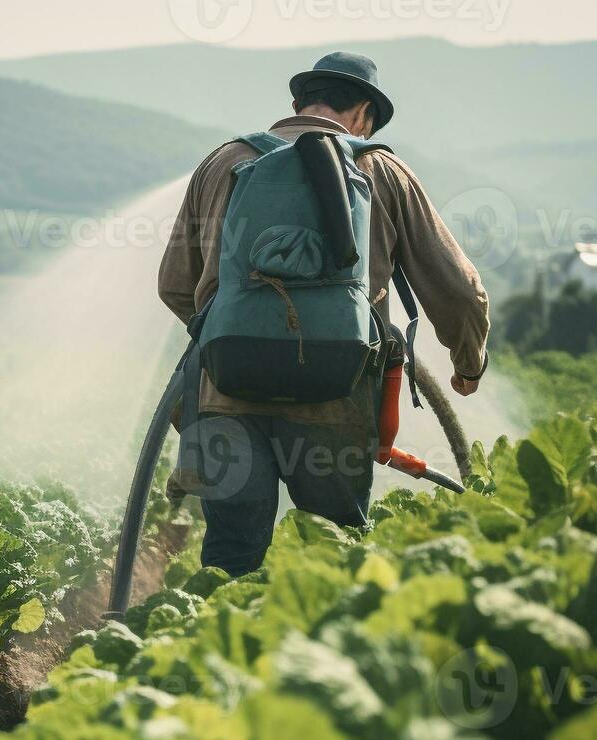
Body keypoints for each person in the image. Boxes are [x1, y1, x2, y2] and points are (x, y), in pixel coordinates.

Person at [158, 51, 491, 577]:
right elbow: (460, 290)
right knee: (333, 554)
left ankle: (220, 653)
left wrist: (240, 337)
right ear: (363, 112)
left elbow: (175, 285)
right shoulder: (379, 168)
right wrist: (467, 363)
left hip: (226, 397)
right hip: (336, 398)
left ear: (297, 105)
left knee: (230, 556)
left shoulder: (223, 162)